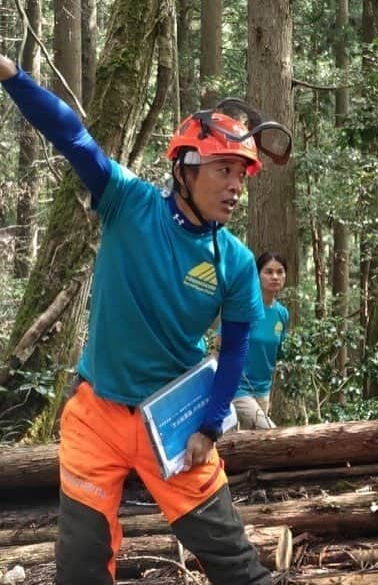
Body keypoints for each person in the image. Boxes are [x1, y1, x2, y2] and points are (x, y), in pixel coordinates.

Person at [0, 55, 291, 584]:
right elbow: (72, 137)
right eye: (223, 169)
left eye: (242, 175)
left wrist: (209, 424)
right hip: (97, 415)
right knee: (81, 567)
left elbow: (236, 351)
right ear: (185, 168)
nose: (235, 186)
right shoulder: (128, 203)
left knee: (235, 565)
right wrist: (12, 78)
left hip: (176, 423)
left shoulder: (237, 262)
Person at [230, 251, 290, 429]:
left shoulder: (282, 313)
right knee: (269, 434)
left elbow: (279, 352)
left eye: (280, 272)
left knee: (253, 448)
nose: (275, 277)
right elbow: (221, 344)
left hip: (263, 390)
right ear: (257, 275)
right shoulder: (244, 307)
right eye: (268, 271)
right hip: (238, 387)